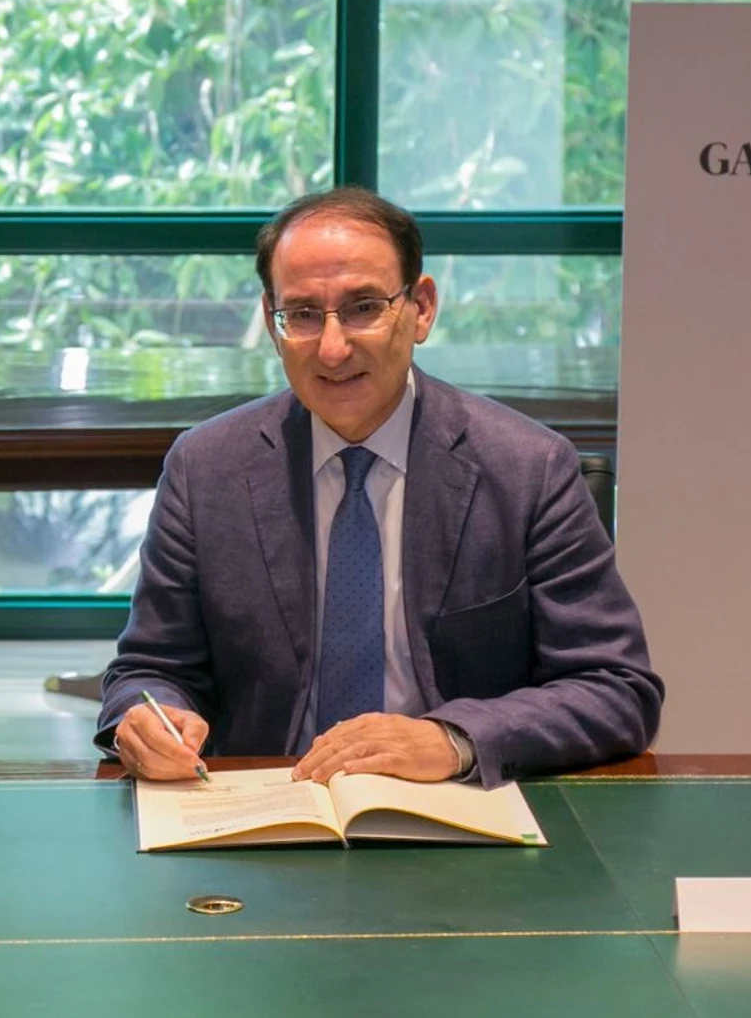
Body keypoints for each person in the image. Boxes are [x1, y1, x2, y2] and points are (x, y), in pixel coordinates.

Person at [98, 187, 662, 788]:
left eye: (364, 307)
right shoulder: (206, 468)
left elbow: (616, 688)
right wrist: (145, 714)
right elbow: (150, 668)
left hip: (457, 814)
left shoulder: (528, 468)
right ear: (271, 321)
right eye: (304, 315)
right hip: (265, 816)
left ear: (421, 308)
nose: (333, 348)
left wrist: (455, 739)